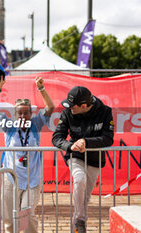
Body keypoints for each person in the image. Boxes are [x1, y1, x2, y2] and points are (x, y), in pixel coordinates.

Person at [0, 76, 54, 233]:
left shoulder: (36, 125)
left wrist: (41, 88)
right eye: (20, 113)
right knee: (9, 217)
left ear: (31, 114)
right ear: (15, 114)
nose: (23, 116)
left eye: (26, 113)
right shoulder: (9, 126)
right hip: (11, 177)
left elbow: (50, 107)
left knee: (27, 213)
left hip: (32, 178)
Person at [52, 86, 114, 233]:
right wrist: (70, 145)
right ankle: (80, 221)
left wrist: (86, 142)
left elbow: (108, 138)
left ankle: (78, 226)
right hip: (75, 155)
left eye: (72, 106)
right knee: (79, 179)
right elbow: (56, 137)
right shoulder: (67, 112)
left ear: (84, 106)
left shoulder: (105, 112)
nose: (69, 108)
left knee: (84, 199)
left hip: (95, 159)